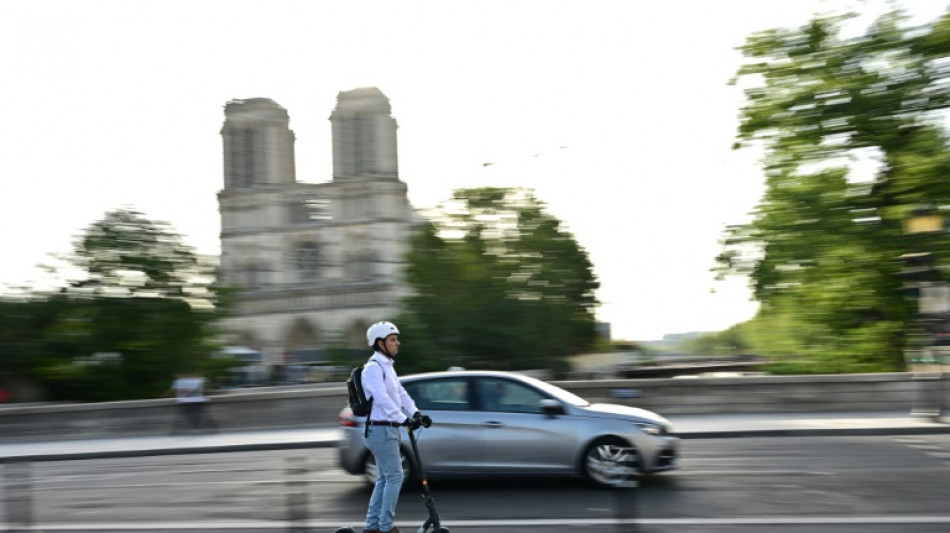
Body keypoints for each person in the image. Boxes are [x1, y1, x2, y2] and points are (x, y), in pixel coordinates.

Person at [360, 321, 432, 533]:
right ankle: (386, 527)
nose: (397, 343)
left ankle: (372, 526)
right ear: (380, 343)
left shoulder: (387, 367)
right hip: (380, 430)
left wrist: (416, 413)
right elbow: (382, 400)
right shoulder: (372, 369)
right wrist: (404, 419)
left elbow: (401, 395)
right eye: (393, 340)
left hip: (388, 429)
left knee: (384, 478)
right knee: (395, 476)